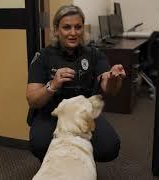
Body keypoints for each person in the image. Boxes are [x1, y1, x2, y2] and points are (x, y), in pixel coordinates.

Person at [26, 5, 126, 162]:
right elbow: (32, 99)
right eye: (66, 27)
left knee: (109, 148)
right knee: (40, 144)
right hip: (52, 114)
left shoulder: (94, 54)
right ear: (56, 30)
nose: (73, 33)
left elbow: (110, 89)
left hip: (83, 114)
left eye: (78, 27)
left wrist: (114, 78)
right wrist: (52, 84)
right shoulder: (43, 56)